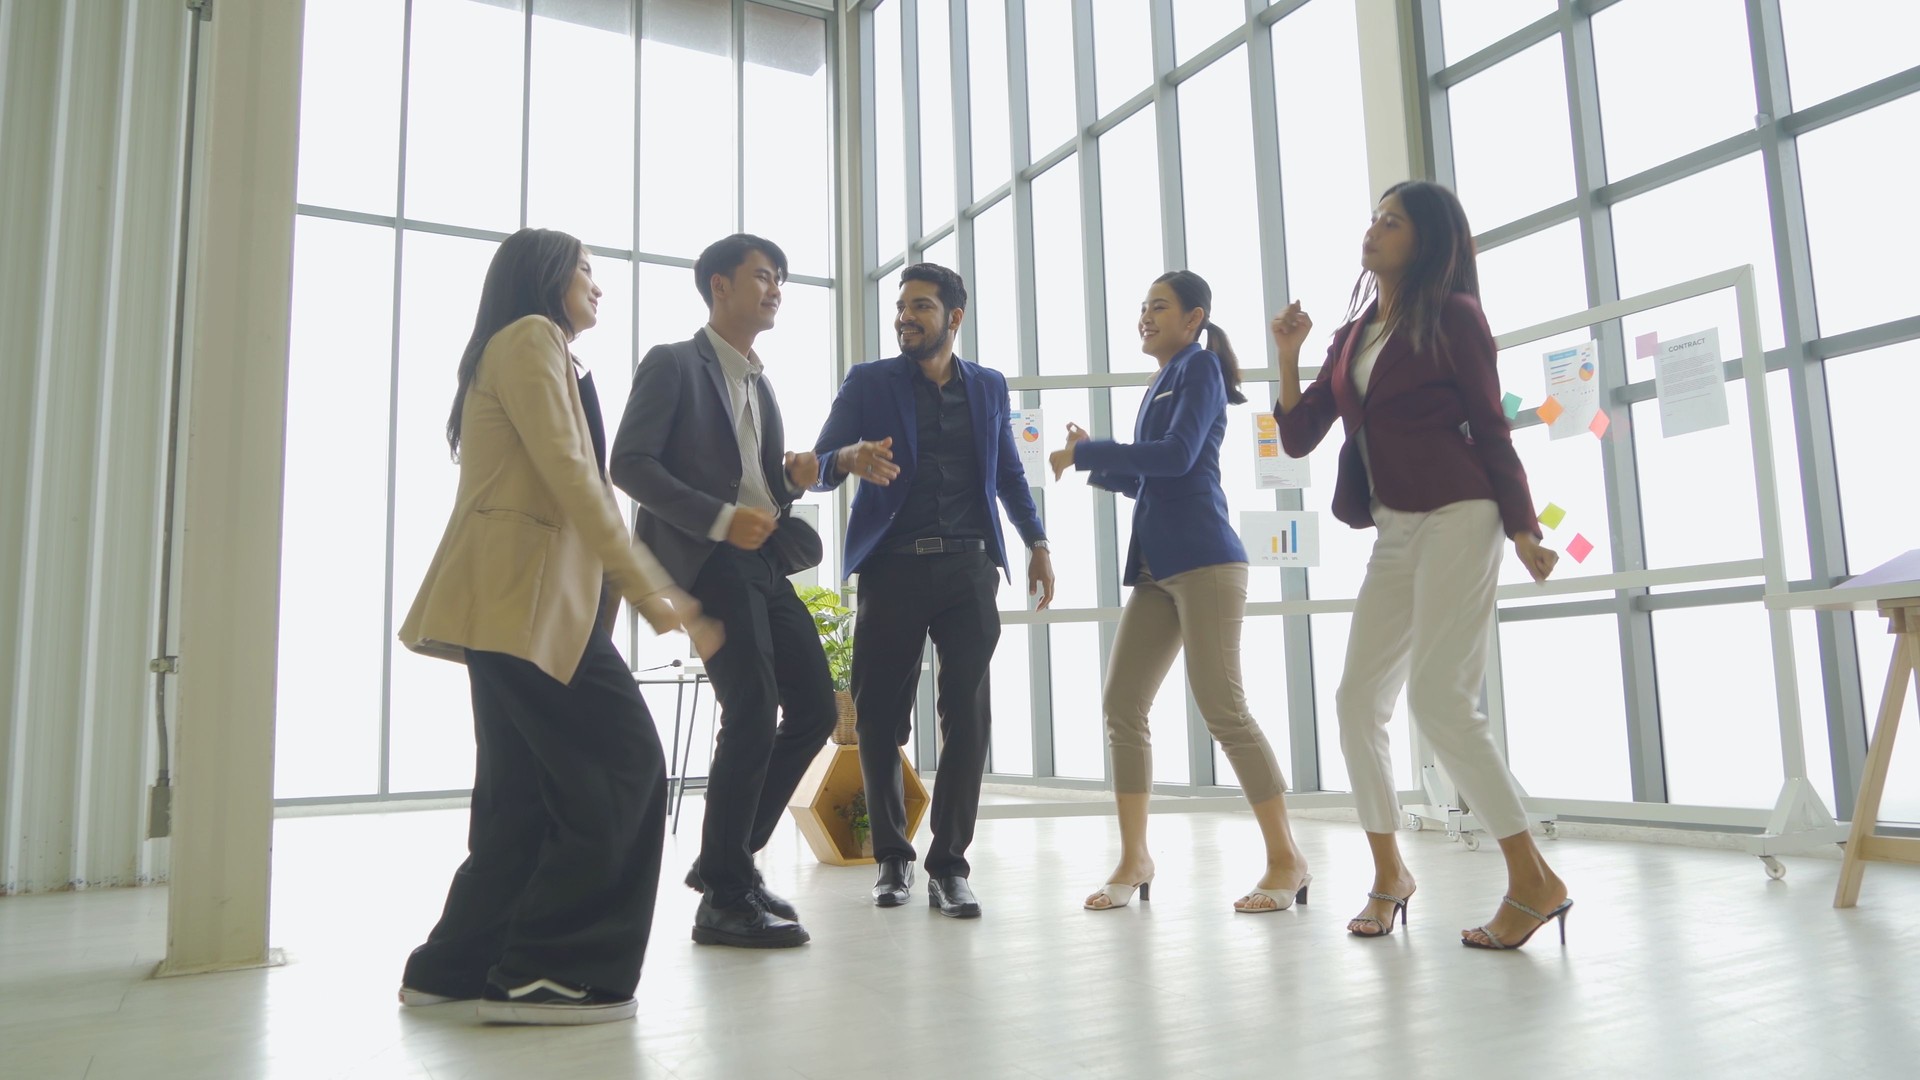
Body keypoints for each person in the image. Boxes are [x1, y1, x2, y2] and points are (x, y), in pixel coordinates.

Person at [397, 228, 714, 1025]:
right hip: (525, 608)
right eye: (586, 270)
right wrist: (652, 589)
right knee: (626, 766)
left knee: (523, 795)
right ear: (546, 278)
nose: (597, 286)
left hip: (509, 607)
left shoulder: (526, 349)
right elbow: (572, 475)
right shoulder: (532, 337)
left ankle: (458, 965)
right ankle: (555, 973)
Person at [1271, 180, 1572, 950]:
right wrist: (1289, 357)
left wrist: (1525, 526)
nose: (1373, 229)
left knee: (1438, 696)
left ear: (1427, 240)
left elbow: (1492, 425)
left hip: (1460, 511)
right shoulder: (1354, 333)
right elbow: (1301, 435)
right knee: (1355, 700)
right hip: (1395, 526)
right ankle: (1388, 874)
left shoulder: (1456, 318)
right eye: (1374, 217)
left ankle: (1532, 876)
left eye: (1392, 221)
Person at [1049, 270, 1311, 915]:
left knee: (1223, 708)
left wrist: (1087, 456)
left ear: (1194, 319)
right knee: (1122, 705)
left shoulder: (1199, 371)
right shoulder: (1162, 382)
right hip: (1157, 569)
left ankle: (1287, 858)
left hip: (1206, 562)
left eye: (1159, 307)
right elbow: (1154, 479)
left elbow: (1175, 456)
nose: (1145, 316)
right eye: (1142, 307)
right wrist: (1101, 463)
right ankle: (1135, 857)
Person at [610, 233, 835, 949]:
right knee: (752, 707)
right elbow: (629, 463)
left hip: (763, 562)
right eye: (763, 277)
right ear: (718, 287)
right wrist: (716, 518)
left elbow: (762, 488)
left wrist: (793, 481)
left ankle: (724, 862)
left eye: (781, 281)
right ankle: (725, 896)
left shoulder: (759, 383)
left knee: (815, 709)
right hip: (710, 561)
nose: (774, 290)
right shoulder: (674, 364)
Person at [810, 263, 1056, 918]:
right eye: (900, 308)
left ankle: (950, 864)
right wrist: (848, 458)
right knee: (880, 717)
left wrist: (1038, 542)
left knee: (967, 718)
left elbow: (1007, 473)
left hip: (968, 569)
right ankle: (892, 857)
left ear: (954, 317)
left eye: (920, 306)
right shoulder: (869, 383)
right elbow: (817, 470)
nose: (904, 318)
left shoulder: (988, 387)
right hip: (892, 567)